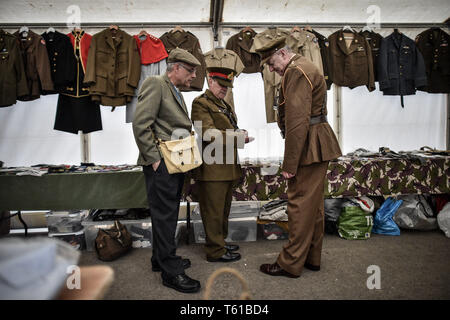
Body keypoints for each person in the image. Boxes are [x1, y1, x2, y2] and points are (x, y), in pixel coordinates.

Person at [255, 37, 342, 278]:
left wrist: (289, 163)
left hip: (307, 145)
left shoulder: (295, 71)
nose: (272, 69)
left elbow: (297, 121)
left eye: (272, 63)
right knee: (312, 207)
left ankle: (289, 263)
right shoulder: (305, 66)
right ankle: (311, 258)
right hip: (316, 141)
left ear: (283, 53)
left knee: (299, 205)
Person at [132, 48, 201, 293]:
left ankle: (158, 260)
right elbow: (141, 123)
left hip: (174, 162)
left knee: (165, 214)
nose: (194, 76)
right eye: (191, 71)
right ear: (177, 68)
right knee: (165, 217)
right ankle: (170, 272)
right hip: (162, 164)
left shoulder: (175, 91)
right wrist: (154, 160)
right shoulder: (155, 84)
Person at [191, 67, 253, 263]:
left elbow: (226, 129)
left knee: (223, 211)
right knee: (213, 213)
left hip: (225, 167)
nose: (224, 89)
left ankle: (220, 243)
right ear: (210, 80)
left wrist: (238, 132)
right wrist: (238, 138)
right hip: (212, 169)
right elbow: (208, 134)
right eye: (221, 84)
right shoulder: (201, 103)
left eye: (227, 86)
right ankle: (215, 251)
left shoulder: (221, 104)